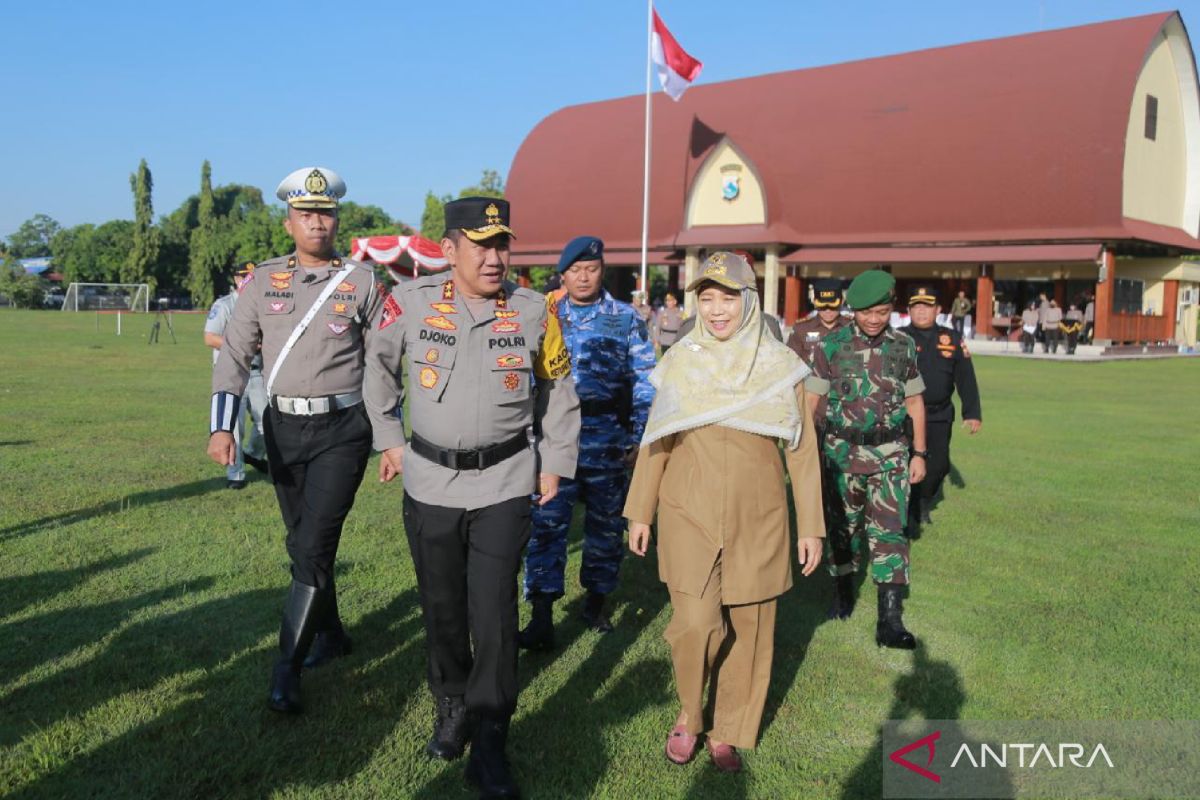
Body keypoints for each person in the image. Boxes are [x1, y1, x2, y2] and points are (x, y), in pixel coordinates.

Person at [363, 197, 580, 799]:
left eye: (502, 244)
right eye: (480, 245)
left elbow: (559, 391)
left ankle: (489, 739)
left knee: (494, 613)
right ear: (450, 249)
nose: (494, 257)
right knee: (442, 609)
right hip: (430, 480)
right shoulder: (409, 303)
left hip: (507, 481)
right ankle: (451, 702)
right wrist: (388, 438)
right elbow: (376, 368)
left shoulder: (535, 310)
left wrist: (555, 463)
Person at [624, 251, 824, 773]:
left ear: (749, 301)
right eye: (706, 298)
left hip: (761, 518)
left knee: (752, 629)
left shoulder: (781, 367)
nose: (715, 310)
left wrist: (814, 527)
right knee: (695, 624)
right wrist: (640, 511)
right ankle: (691, 714)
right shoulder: (683, 360)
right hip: (687, 512)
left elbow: (802, 451)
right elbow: (656, 440)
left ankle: (728, 729)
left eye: (727, 298)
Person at [207, 167, 383, 713]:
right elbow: (235, 354)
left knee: (311, 545)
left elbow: (384, 360)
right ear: (289, 223)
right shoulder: (262, 282)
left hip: (342, 430)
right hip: (282, 429)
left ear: (336, 220)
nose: (316, 222)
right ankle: (332, 634)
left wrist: (393, 432)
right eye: (306, 214)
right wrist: (221, 424)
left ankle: (287, 666)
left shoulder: (364, 282)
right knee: (302, 542)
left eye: (325, 213)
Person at [519, 235, 655, 649]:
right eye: (576, 270)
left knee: (605, 527)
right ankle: (541, 614)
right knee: (546, 525)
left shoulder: (625, 318)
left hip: (608, 440)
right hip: (554, 442)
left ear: (602, 271)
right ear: (563, 274)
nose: (583, 276)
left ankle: (595, 602)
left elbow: (645, 380)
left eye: (591, 269)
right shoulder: (544, 315)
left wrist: (639, 438)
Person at [804, 269, 926, 648]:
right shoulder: (830, 345)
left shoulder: (903, 346)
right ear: (853, 309)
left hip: (891, 456)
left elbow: (915, 402)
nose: (874, 320)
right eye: (867, 312)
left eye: (883, 312)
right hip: (841, 456)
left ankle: (889, 620)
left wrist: (919, 452)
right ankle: (842, 594)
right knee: (844, 530)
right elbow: (810, 402)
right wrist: (804, 454)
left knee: (890, 532)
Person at [898, 286, 982, 533]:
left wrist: (972, 412)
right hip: (903, 414)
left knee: (939, 465)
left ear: (938, 310)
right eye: (916, 307)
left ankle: (924, 500)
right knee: (904, 461)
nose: (921, 311)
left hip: (939, 414)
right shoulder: (898, 338)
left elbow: (966, 377)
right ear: (909, 310)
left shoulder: (951, 338)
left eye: (927, 307)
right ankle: (911, 507)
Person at [204, 262, 268, 488]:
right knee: (234, 427)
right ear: (236, 280)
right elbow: (210, 338)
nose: (248, 281)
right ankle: (236, 475)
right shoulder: (224, 305)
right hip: (232, 373)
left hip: (258, 372)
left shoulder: (263, 304)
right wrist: (244, 345)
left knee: (267, 422)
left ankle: (253, 454)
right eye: (244, 277)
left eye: (252, 277)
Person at [786, 279, 850, 366]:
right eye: (822, 306)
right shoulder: (801, 329)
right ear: (815, 303)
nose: (827, 310)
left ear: (842, 302)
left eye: (832, 306)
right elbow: (790, 364)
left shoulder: (853, 328)